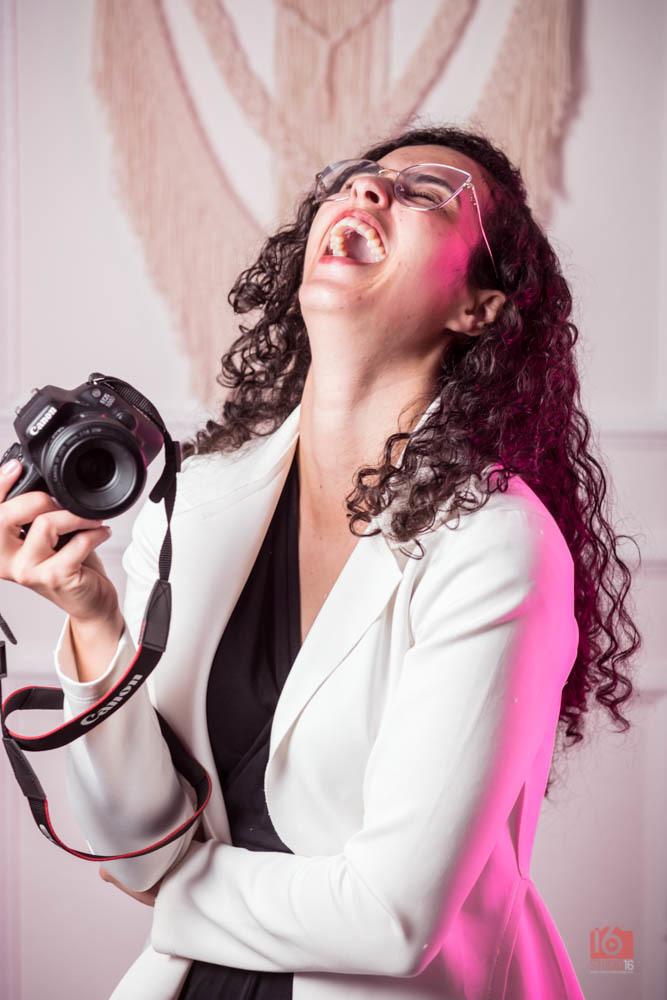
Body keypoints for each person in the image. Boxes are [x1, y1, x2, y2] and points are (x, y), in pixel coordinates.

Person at [0, 125, 639, 1000]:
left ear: (478, 309)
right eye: (356, 177)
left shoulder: (496, 544)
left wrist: (169, 884)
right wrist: (91, 614)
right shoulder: (199, 499)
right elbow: (130, 842)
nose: (367, 190)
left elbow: (389, 921)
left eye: (424, 192)